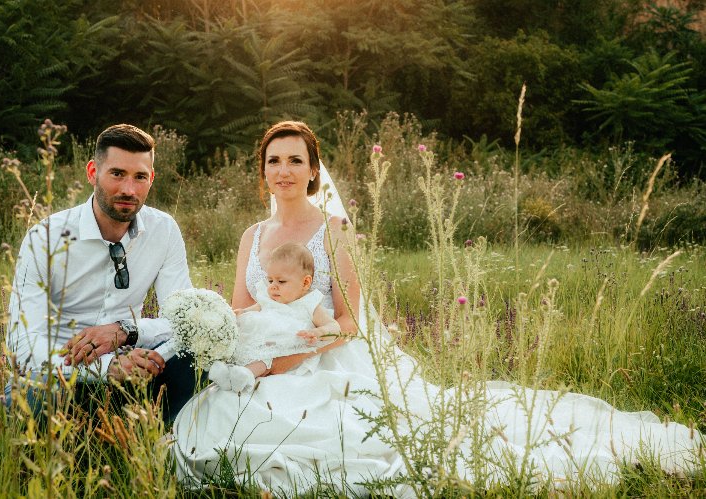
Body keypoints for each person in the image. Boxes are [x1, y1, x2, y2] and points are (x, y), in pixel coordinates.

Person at [172, 121, 702, 496]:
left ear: (313, 171)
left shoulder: (334, 231)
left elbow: (350, 322)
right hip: (259, 360)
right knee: (217, 418)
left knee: (344, 439)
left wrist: (290, 358)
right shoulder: (251, 235)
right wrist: (214, 332)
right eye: (273, 160)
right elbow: (241, 310)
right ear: (262, 170)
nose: (283, 170)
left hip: (321, 356)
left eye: (295, 160)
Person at [7, 124, 195, 423]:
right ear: (93, 172)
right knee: (40, 393)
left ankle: (167, 442)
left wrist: (127, 330)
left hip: (130, 366)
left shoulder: (164, 229)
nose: (128, 190)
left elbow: (183, 320)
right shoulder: (46, 236)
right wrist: (106, 367)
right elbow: (23, 343)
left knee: (194, 356)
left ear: (151, 179)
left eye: (140, 177)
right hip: (60, 374)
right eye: (117, 174)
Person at [210, 242, 341, 394]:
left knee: (266, 358)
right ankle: (227, 372)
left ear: (305, 283)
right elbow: (257, 308)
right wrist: (242, 311)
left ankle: (246, 374)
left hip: (281, 346)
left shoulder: (310, 304)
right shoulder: (269, 298)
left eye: (281, 281)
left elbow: (335, 328)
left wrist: (318, 332)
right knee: (240, 341)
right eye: (270, 280)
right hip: (260, 338)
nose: (273, 286)